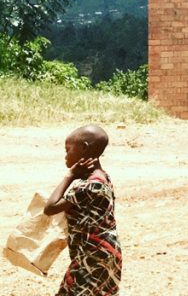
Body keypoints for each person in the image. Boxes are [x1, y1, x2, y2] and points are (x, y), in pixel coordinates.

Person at [43, 124, 122, 295]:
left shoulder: (89, 184)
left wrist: (69, 175)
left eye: (68, 149)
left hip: (94, 257)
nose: (65, 155)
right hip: (99, 253)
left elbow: (50, 207)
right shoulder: (102, 177)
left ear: (84, 148)